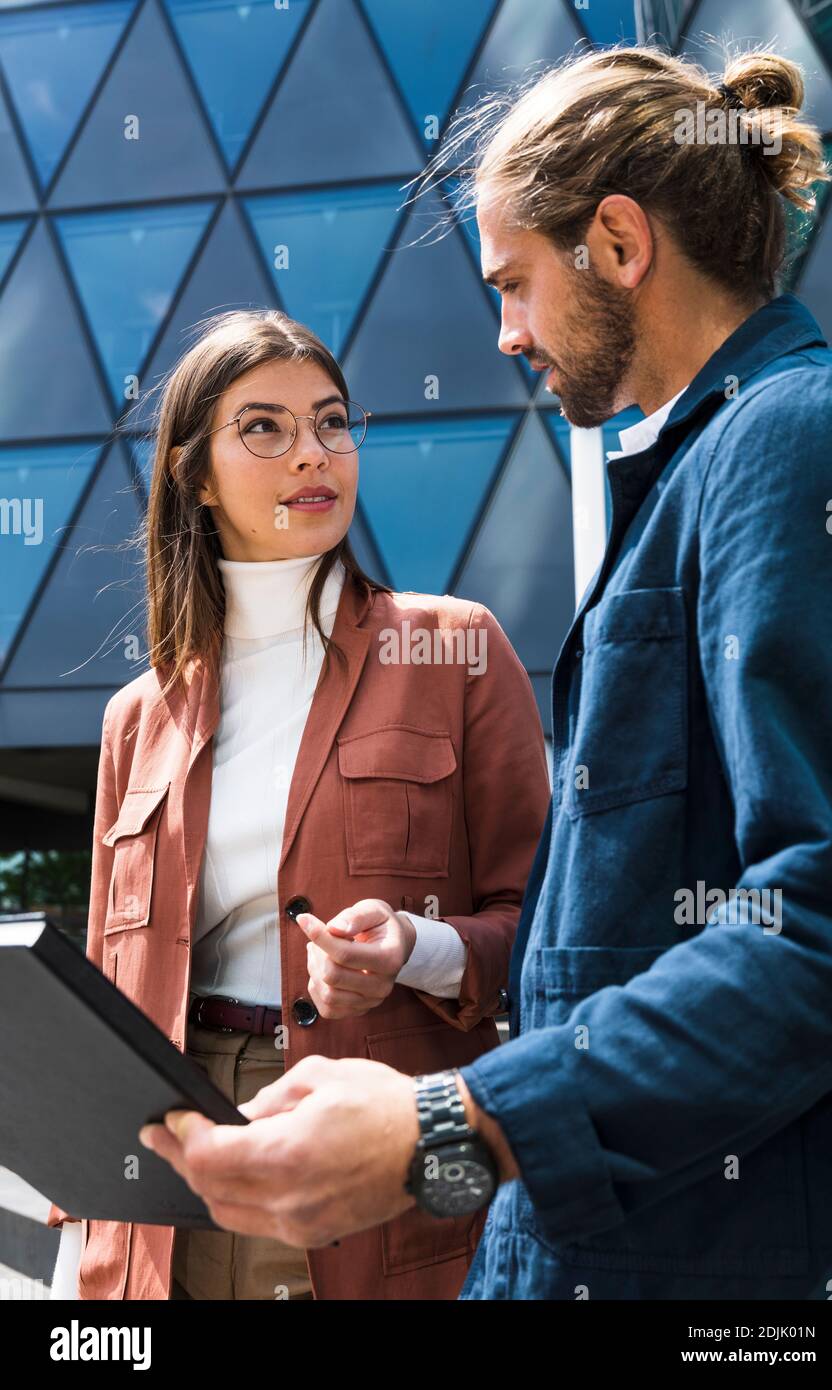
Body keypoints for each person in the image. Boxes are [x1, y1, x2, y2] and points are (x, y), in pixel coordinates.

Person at [139, 43, 832, 1301]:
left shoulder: (796, 443)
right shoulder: (699, 476)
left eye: (515, 283)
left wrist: (452, 1122)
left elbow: (827, 924)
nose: (505, 332)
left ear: (619, 244)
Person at [45, 308, 550, 1299]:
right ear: (192, 474)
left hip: (352, 1151)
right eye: (264, 428)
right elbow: (108, 992)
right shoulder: (135, 717)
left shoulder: (453, 649)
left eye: (330, 421)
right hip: (165, 1165)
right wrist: (83, 1245)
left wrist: (415, 945)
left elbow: (542, 931)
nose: (312, 454)